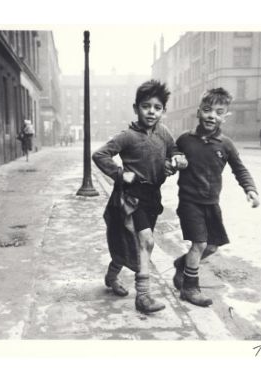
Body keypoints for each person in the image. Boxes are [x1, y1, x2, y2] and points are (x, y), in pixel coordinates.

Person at [92, 80, 187, 314]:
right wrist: (119, 173)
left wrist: (174, 162)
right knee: (146, 242)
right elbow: (99, 154)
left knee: (132, 246)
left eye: (157, 107)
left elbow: (173, 151)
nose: (151, 111)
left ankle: (111, 276)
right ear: (136, 108)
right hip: (130, 197)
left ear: (163, 111)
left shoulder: (163, 132)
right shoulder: (127, 136)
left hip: (152, 196)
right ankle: (143, 296)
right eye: (146, 106)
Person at [172, 88, 260, 307]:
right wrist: (174, 161)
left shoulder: (225, 144)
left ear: (225, 116)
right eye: (208, 110)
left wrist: (250, 189)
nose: (212, 115)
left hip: (211, 203)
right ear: (199, 111)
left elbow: (240, 170)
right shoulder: (185, 140)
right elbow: (169, 159)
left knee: (212, 247)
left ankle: (181, 265)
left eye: (219, 112)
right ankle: (190, 288)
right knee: (199, 244)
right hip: (189, 202)